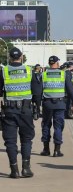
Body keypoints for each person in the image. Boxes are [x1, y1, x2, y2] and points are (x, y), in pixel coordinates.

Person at [0, 47, 35, 178]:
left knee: (10, 141)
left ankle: (14, 170)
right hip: (26, 110)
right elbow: (36, 91)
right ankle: (26, 169)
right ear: (21, 57)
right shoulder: (28, 70)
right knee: (26, 139)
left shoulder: (4, 71)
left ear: (9, 57)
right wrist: (37, 106)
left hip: (9, 110)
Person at [40, 56, 73, 157]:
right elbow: (70, 89)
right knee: (58, 127)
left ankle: (46, 149)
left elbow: (39, 91)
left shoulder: (43, 74)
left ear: (49, 63)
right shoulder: (63, 74)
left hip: (47, 104)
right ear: (57, 63)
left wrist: (37, 104)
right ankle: (57, 150)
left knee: (46, 125)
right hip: (60, 104)